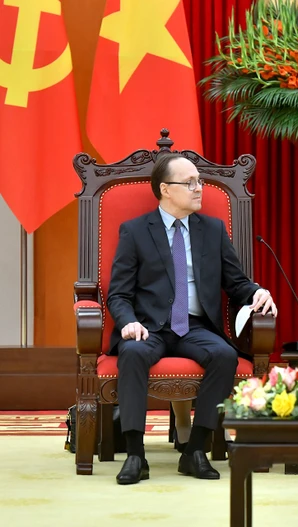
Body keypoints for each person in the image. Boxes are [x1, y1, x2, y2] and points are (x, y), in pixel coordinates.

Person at [107, 153, 278, 485]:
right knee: (132, 353)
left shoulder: (212, 230)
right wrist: (128, 322)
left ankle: (195, 450)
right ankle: (135, 455)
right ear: (165, 189)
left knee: (224, 355)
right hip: (149, 327)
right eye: (190, 183)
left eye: (199, 181)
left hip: (195, 327)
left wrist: (257, 292)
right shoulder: (136, 231)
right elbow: (118, 294)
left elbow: (236, 282)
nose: (199, 188)